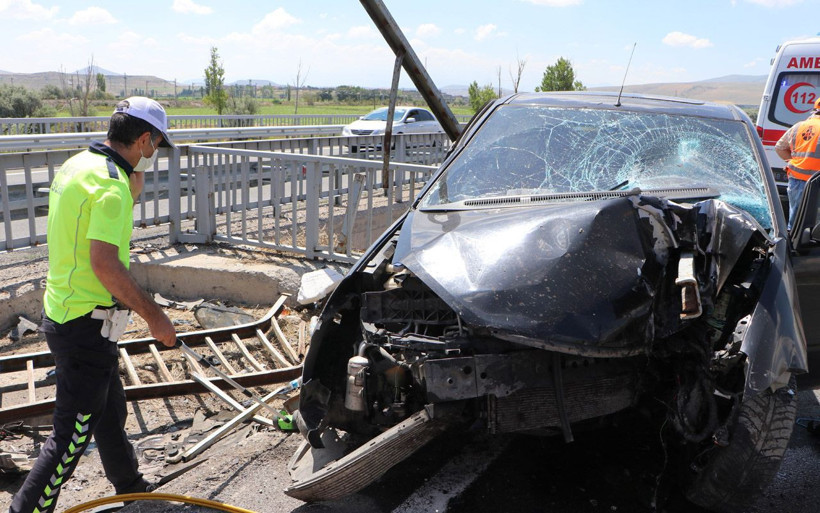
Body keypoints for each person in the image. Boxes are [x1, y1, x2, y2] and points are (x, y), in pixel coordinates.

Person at [10, 97, 178, 513]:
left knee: (108, 407)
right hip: (85, 324)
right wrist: (155, 316)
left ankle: (129, 485)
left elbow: (88, 227)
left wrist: (130, 188)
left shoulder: (79, 166)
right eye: (157, 143)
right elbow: (106, 265)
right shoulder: (111, 187)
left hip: (64, 309)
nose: (155, 152)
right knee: (70, 438)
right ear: (144, 140)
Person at [775, 97, 820, 229]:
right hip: (816, 180)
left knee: (796, 221)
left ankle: (791, 241)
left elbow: (779, 147)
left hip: (796, 179)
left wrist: (793, 162)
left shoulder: (798, 126)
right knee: (815, 225)